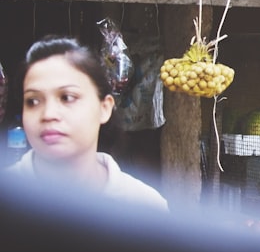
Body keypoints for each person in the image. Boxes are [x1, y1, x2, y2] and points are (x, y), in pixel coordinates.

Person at [6, 35, 169, 210]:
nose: (48, 114)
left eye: (67, 98)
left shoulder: (146, 207)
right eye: (33, 101)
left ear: (104, 108)